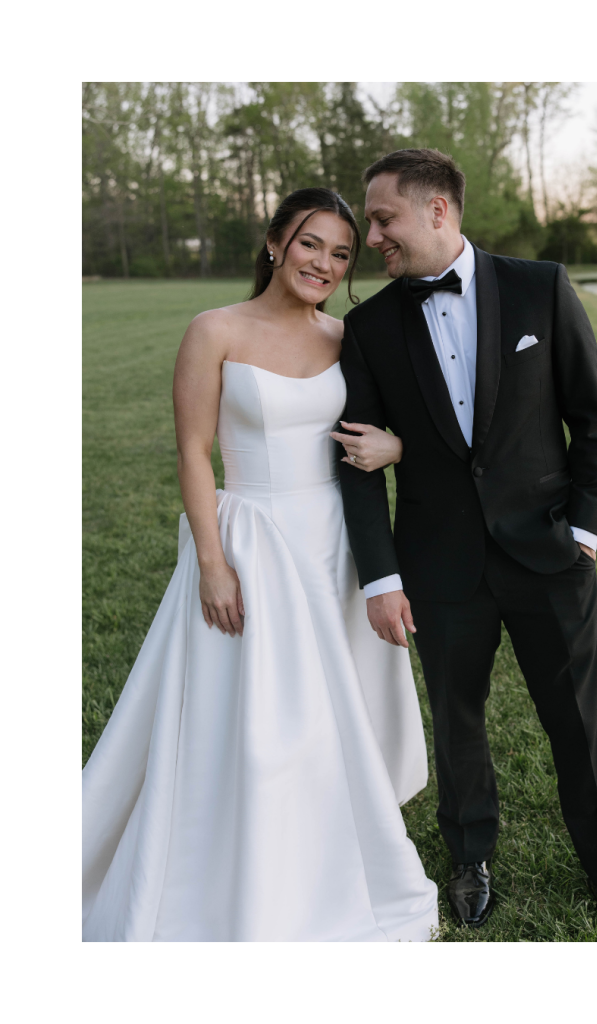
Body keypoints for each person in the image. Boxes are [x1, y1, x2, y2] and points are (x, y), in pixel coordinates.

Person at [82, 188, 439, 942]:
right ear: (277, 241)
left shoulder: (347, 336)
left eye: (341, 253)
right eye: (312, 244)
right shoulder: (213, 330)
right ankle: (247, 864)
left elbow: (403, 428)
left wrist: (399, 447)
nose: (325, 263)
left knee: (330, 714)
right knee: (256, 722)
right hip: (250, 540)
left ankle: (329, 848)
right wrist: (212, 561)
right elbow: (191, 451)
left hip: (335, 545)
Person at [333, 150, 597, 941]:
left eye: (383, 218)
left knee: (579, 720)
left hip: (549, 555)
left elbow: (593, 420)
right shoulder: (368, 326)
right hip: (439, 565)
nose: (370, 234)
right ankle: (470, 858)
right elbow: (354, 458)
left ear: (437, 210)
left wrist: (583, 533)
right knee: (458, 718)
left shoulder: (538, 287)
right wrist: (381, 577)